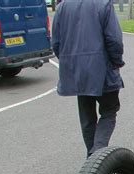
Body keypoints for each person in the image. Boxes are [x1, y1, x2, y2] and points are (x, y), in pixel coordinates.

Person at [52, 0, 125, 158]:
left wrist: (72, 63)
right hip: (103, 70)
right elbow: (115, 40)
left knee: (87, 117)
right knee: (109, 110)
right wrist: (117, 61)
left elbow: (56, 43)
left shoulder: (62, 7)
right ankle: (97, 152)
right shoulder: (103, 4)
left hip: (78, 73)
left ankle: (91, 158)